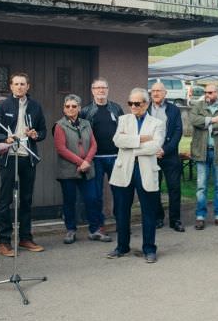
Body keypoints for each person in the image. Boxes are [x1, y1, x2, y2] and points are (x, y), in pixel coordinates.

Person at [0, 72, 47, 256]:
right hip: (9, 157)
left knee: (27, 200)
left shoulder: (36, 106)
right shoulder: (3, 105)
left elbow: (43, 131)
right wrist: (5, 139)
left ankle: (25, 238)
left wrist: (36, 135)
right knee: (5, 200)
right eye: (16, 84)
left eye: (23, 84)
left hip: (28, 157)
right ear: (11, 86)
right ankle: (4, 241)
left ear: (28, 86)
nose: (20, 87)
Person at [108, 88, 165, 263]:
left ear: (146, 104)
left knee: (148, 212)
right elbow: (117, 141)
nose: (133, 106)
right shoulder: (123, 120)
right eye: (130, 103)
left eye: (137, 103)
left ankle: (149, 249)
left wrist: (130, 143)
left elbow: (155, 146)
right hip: (123, 171)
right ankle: (122, 246)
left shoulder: (157, 123)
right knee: (122, 211)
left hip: (146, 172)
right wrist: (141, 139)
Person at [54, 94, 107, 244]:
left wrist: (87, 161)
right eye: (68, 106)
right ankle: (71, 230)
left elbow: (94, 145)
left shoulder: (86, 123)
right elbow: (61, 149)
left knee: (92, 199)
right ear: (64, 109)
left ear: (79, 108)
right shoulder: (59, 125)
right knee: (69, 201)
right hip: (68, 170)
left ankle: (95, 230)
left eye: (74, 106)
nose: (71, 109)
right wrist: (80, 162)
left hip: (87, 169)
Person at [80, 77, 123, 238]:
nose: (101, 91)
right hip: (95, 158)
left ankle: (121, 222)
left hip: (115, 156)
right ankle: (97, 226)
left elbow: (124, 130)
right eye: (97, 88)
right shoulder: (85, 111)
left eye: (103, 87)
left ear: (108, 89)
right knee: (95, 195)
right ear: (92, 91)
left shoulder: (116, 109)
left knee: (119, 192)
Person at [189, 84, 218, 230]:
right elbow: (194, 121)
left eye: (211, 92)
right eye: (206, 92)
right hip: (202, 151)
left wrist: (205, 123)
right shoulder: (197, 106)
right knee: (201, 186)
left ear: (217, 93)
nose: (208, 95)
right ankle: (200, 217)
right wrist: (213, 120)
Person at [149, 82, 184, 232]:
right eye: (153, 91)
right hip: (151, 155)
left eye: (159, 91)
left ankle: (175, 220)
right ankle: (158, 217)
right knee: (154, 188)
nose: (156, 93)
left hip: (169, 155)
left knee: (174, 188)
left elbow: (178, 131)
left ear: (165, 93)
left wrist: (165, 150)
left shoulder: (174, 109)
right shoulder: (146, 109)